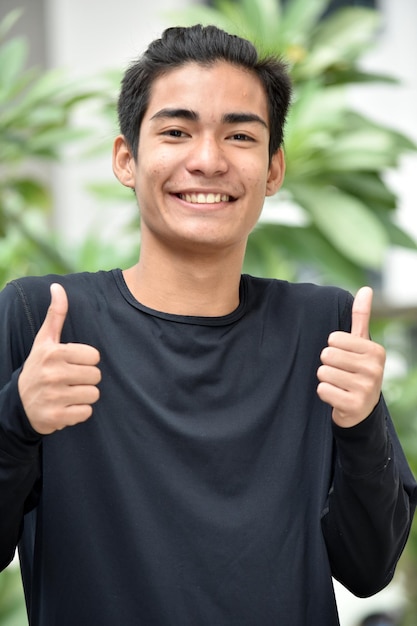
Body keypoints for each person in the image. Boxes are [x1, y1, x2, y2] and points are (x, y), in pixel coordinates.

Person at [0, 24, 415, 626]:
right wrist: (16, 419)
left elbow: (369, 566)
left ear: (273, 170)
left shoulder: (325, 328)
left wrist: (360, 427)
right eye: (175, 131)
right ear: (126, 158)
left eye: (239, 135)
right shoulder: (46, 321)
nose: (208, 160)